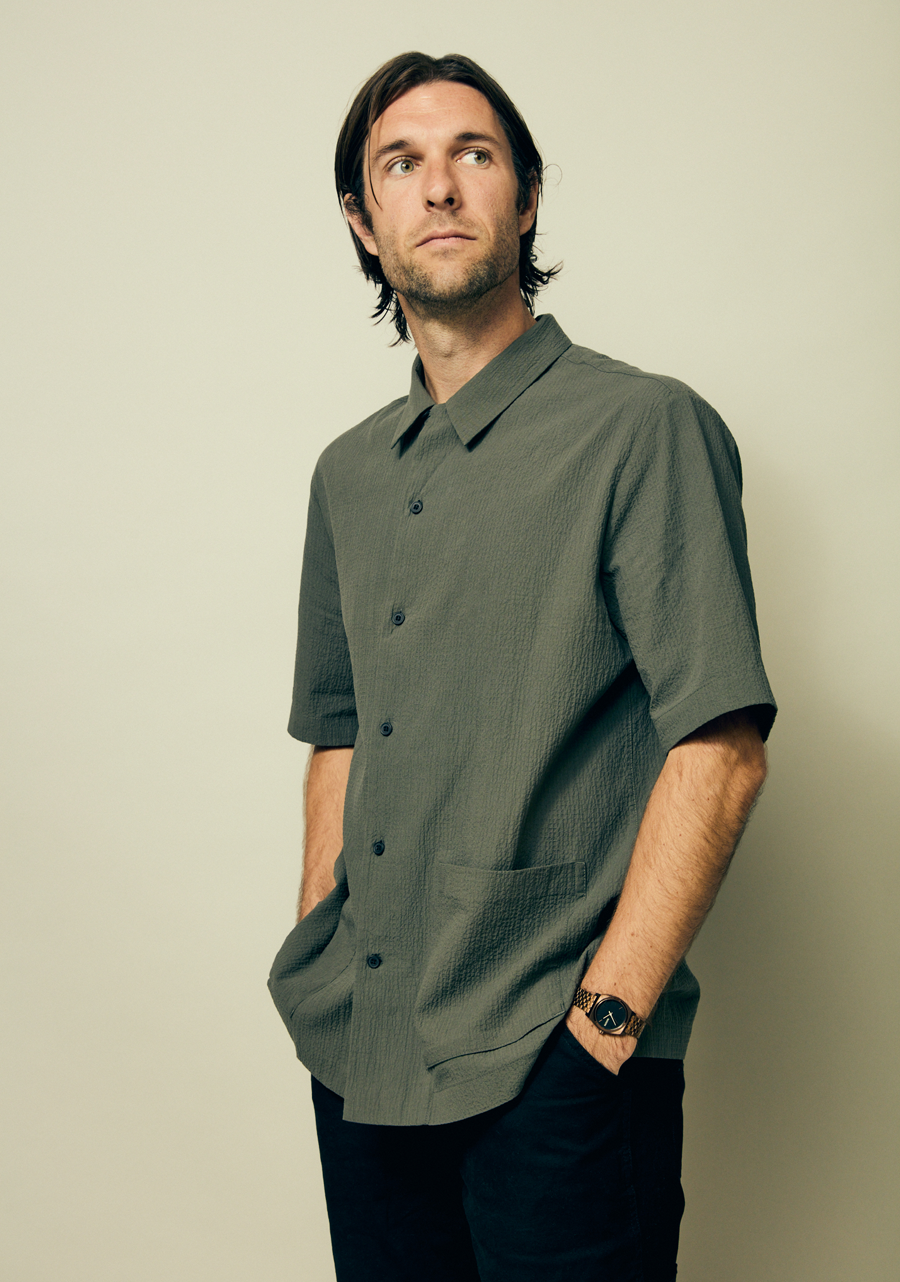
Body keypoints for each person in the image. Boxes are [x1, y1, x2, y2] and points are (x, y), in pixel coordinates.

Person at [269, 50, 776, 1282]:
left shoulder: (643, 428)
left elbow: (720, 749)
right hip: (367, 1057)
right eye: (401, 163)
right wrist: (323, 950)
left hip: (557, 1066)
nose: (440, 186)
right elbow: (339, 732)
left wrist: (605, 1023)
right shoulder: (347, 474)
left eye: (475, 155)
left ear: (527, 197)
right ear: (363, 221)